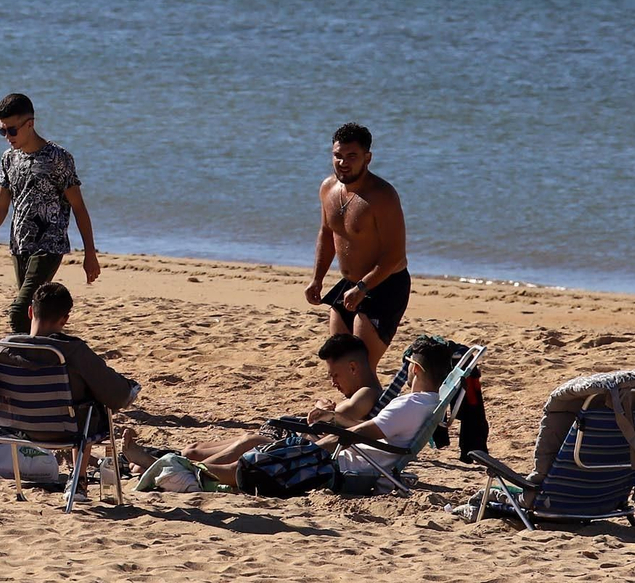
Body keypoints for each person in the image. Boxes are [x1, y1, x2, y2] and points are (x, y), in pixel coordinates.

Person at [198, 334, 452, 494]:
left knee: (251, 462)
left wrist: (315, 443)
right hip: (348, 460)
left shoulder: (410, 404)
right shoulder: (428, 404)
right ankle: (191, 466)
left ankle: (189, 470)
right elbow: (373, 430)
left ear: (416, 369)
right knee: (252, 452)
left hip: (337, 465)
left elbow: (361, 432)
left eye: (407, 367)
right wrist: (334, 421)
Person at [122, 333, 381, 468]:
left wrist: (324, 409)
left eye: (335, 375)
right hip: (283, 435)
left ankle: (156, 467)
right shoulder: (362, 391)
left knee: (221, 448)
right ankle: (152, 462)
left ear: (354, 368)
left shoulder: (366, 393)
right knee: (194, 447)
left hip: (288, 445)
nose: (334, 382)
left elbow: (337, 420)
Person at [0, 93, 101, 333]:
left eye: (12, 130)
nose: (7, 137)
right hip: (19, 247)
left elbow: (79, 206)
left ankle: (23, 358)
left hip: (49, 246)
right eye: (2, 131)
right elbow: (0, 207)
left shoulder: (58, 158)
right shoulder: (8, 159)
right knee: (31, 314)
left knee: (18, 312)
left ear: (30, 124)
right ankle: (42, 359)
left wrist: (90, 253)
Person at [305, 122, 409, 369]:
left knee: (361, 367)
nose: (343, 162)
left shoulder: (382, 196)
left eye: (352, 156)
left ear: (367, 158)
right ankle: (351, 408)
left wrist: (363, 287)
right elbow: (327, 233)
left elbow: (395, 254)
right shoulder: (328, 188)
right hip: (349, 285)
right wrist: (317, 279)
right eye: (338, 156)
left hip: (385, 285)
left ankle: (369, 408)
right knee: (338, 362)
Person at [0, 282, 140, 434]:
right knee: (89, 405)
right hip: (64, 432)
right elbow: (118, 397)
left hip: (10, 429)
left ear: (30, 312)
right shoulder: (73, 352)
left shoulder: (0, 350)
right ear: (65, 319)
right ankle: (83, 460)